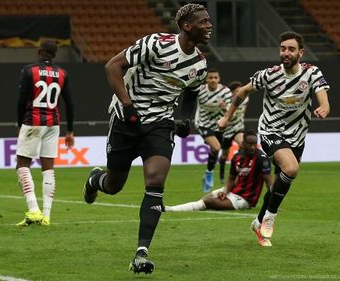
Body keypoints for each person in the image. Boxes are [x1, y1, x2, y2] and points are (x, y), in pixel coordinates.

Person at [82, 3, 212, 274]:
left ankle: (141, 253)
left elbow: (190, 94)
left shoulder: (199, 63)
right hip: (125, 121)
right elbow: (112, 67)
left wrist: (185, 119)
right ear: (187, 26)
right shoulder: (156, 43)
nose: (209, 26)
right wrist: (128, 106)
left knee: (156, 180)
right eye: (204, 22)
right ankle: (95, 180)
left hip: (160, 125)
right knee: (114, 184)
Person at [218, 31, 330, 246]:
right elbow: (241, 92)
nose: (285, 53)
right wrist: (226, 117)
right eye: (282, 49)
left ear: (301, 53)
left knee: (280, 184)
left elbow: (323, 97)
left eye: (291, 49)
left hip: (297, 137)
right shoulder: (268, 74)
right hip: (271, 131)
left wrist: (324, 107)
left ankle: (258, 222)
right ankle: (270, 217)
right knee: (291, 168)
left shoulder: (312, 73)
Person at [165, 130, 274, 245]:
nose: (252, 147)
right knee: (209, 196)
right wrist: (226, 191)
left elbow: (269, 182)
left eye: (254, 144)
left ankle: (172, 209)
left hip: (245, 199)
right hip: (233, 192)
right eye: (249, 144)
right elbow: (231, 179)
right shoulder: (237, 157)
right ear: (243, 144)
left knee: (210, 202)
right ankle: (182, 207)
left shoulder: (261, 158)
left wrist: (272, 204)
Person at [15, 40, 75, 227]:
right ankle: (47, 216)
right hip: (54, 124)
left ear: (40, 51)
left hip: (33, 121)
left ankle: (33, 210)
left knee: (22, 165)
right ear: (54, 54)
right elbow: (70, 103)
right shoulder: (62, 73)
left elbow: (21, 100)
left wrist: (19, 124)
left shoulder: (29, 70)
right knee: (48, 168)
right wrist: (70, 130)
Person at [194, 68, 232, 192]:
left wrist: (225, 108)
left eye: (215, 77)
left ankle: (208, 173)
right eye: (210, 78)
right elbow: (188, 101)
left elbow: (230, 112)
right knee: (216, 148)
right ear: (206, 79)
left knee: (214, 150)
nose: (213, 80)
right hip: (203, 123)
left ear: (219, 79)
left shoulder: (225, 91)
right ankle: (209, 174)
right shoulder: (200, 90)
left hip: (218, 125)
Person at [218, 80, 248, 184]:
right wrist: (223, 109)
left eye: (240, 91)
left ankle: (240, 170)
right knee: (224, 156)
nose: (239, 93)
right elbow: (226, 118)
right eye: (236, 91)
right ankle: (221, 168)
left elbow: (233, 114)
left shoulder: (245, 98)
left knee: (243, 145)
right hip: (227, 131)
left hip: (238, 127)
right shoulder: (225, 100)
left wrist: (225, 109)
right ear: (231, 92)